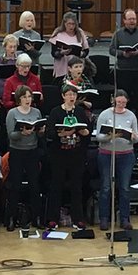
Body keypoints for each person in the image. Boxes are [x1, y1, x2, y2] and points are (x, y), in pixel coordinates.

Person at [45, 83, 92, 228]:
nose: (71, 97)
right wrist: (61, 133)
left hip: (76, 154)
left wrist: (85, 133)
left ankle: (78, 218)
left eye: (74, 95)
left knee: (76, 187)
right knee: (56, 186)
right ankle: (53, 218)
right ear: (63, 96)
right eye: (69, 95)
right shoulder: (55, 112)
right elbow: (50, 133)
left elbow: (87, 130)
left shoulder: (79, 112)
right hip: (59, 154)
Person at [95, 89, 138, 231]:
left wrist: (132, 136)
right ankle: (104, 218)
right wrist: (110, 136)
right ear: (114, 101)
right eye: (118, 102)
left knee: (125, 188)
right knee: (106, 187)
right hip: (107, 154)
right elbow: (98, 137)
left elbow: (137, 137)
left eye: (123, 102)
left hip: (126, 154)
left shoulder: (131, 115)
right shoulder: (105, 114)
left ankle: (125, 218)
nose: (121, 104)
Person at [4, 85, 45, 229]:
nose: (27, 99)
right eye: (24, 97)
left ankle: (37, 218)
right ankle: (11, 218)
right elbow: (11, 135)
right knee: (15, 185)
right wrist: (22, 132)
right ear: (18, 99)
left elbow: (39, 134)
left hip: (32, 151)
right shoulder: (12, 113)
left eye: (29, 97)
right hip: (17, 152)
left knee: (35, 185)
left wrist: (40, 131)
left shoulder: (36, 112)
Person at [110, 9, 138, 120]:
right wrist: (122, 53)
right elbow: (112, 50)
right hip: (123, 70)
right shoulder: (118, 34)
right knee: (122, 97)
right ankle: (121, 119)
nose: (132, 21)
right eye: (130, 19)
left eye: (134, 19)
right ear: (124, 20)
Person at [48, 13, 90, 80]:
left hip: (77, 66)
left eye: (73, 24)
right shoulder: (58, 32)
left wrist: (81, 53)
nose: (71, 26)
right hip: (62, 66)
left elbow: (86, 50)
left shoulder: (80, 32)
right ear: (64, 23)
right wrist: (61, 52)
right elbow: (53, 53)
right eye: (69, 24)